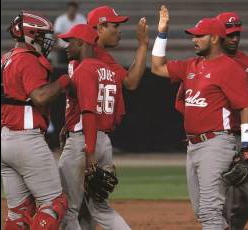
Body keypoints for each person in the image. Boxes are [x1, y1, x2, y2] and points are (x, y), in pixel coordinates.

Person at [151, 5, 248, 229]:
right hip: (193, 146)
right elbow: (157, 67)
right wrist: (162, 32)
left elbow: (246, 107)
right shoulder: (191, 65)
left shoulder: (230, 68)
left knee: (210, 211)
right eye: (194, 36)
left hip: (216, 144)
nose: (194, 40)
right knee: (204, 212)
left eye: (199, 36)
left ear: (215, 38)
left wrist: (246, 146)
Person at [174, 12, 248, 229]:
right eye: (230, 34)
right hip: (216, 139)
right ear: (218, 35)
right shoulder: (200, 65)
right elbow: (183, 102)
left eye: (237, 34)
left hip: (241, 138)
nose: (234, 39)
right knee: (211, 206)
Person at [63, 5, 148, 229]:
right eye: (115, 25)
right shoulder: (99, 62)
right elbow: (130, 82)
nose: (119, 31)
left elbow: (87, 107)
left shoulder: (89, 60)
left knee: (69, 207)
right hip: (100, 137)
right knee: (94, 207)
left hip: (85, 137)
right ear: (99, 28)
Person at [1, 10, 71, 229]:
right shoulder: (29, 60)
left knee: (17, 213)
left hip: (4, 139)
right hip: (26, 139)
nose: (45, 41)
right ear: (31, 35)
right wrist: (63, 82)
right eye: (42, 36)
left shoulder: (5, 59)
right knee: (53, 203)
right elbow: (40, 97)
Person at [57, 23, 131, 230]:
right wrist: (100, 141)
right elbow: (118, 113)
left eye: (69, 41)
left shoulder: (83, 70)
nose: (66, 46)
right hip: (104, 141)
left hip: (84, 143)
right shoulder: (108, 71)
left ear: (81, 42)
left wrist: (89, 151)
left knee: (68, 209)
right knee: (101, 208)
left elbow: (88, 112)